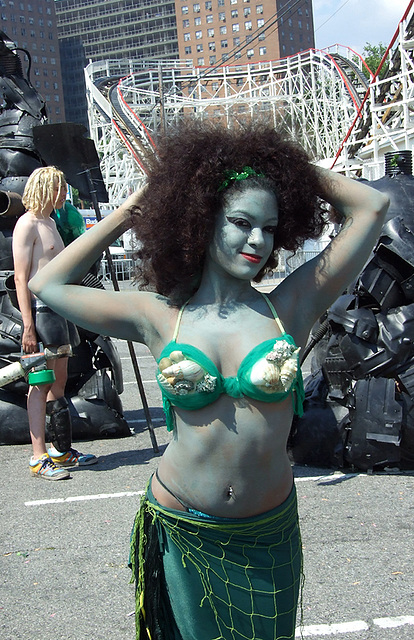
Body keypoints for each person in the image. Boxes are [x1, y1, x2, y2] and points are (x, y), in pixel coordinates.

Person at [29, 120, 389, 638]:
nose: (258, 240)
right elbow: (47, 282)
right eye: (241, 222)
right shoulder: (156, 315)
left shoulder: (293, 303)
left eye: (269, 226)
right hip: (182, 528)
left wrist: (279, 166)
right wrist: (132, 210)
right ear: (201, 220)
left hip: (266, 536)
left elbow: (371, 208)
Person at [12, 166, 97, 480]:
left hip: (59, 313)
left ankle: (61, 451)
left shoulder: (51, 222)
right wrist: (28, 325)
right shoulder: (28, 224)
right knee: (40, 384)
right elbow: (21, 278)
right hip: (40, 313)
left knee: (58, 384)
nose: (64, 195)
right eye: (60, 190)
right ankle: (38, 457)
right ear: (47, 189)